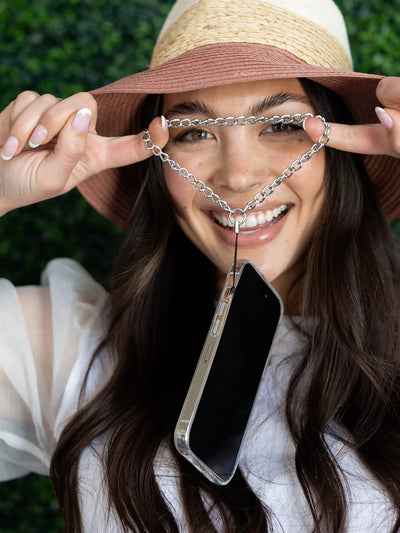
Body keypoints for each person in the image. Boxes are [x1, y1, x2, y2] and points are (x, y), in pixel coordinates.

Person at [1, 0, 400, 531]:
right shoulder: (69, 354)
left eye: (281, 125)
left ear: (341, 146)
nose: (238, 177)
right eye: (193, 133)